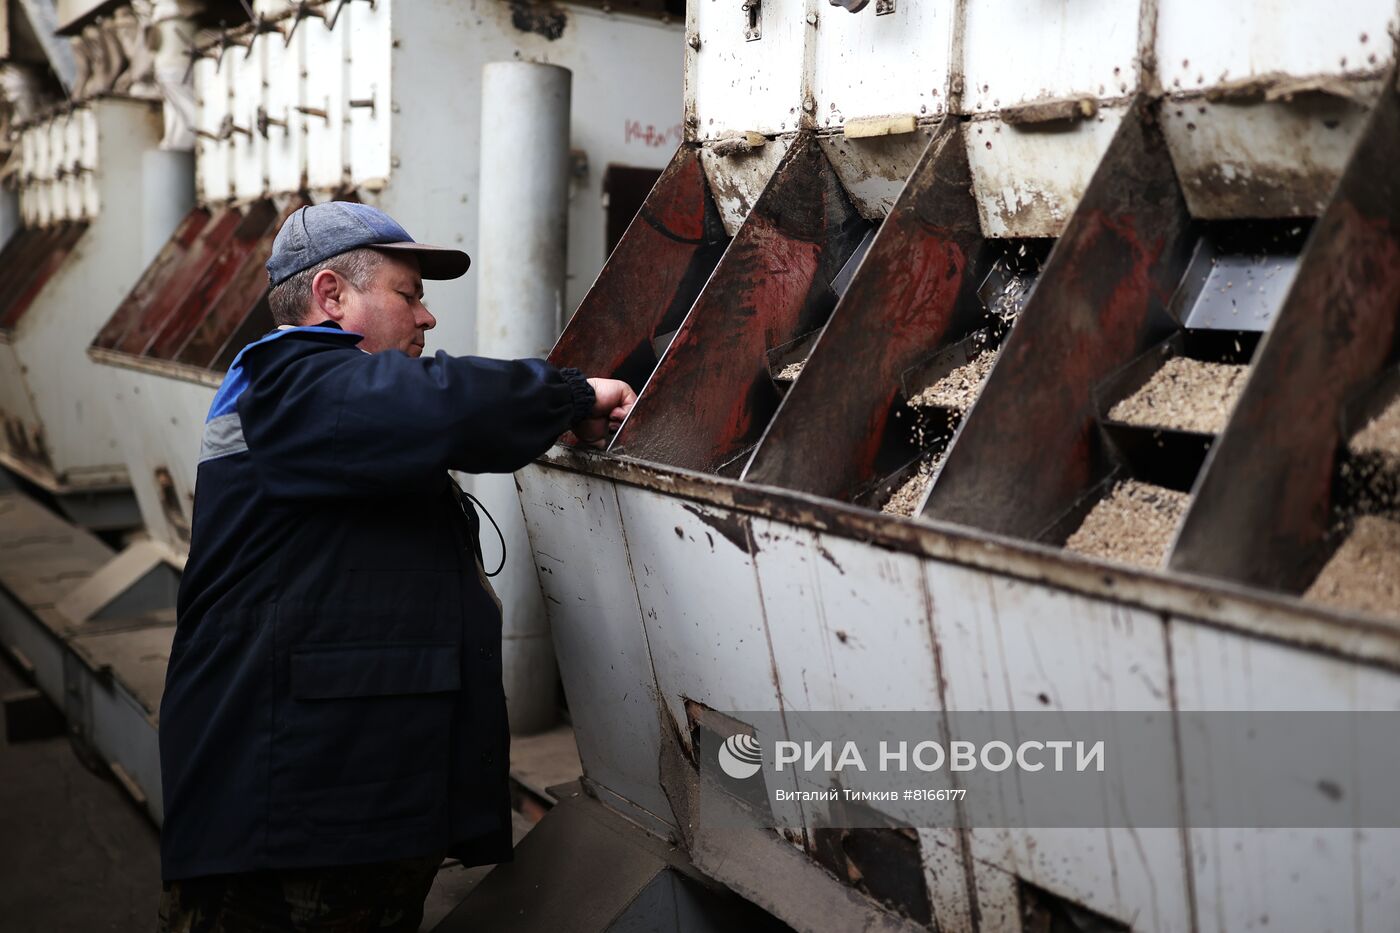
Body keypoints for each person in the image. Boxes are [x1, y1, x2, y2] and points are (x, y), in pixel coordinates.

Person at [156, 202, 636, 931]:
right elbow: (435, 404)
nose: (427, 317)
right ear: (331, 297)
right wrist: (569, 394)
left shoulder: (322, 405)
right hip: (288, 823)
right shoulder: (288, 386)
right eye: (409, 294)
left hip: (330, 809)